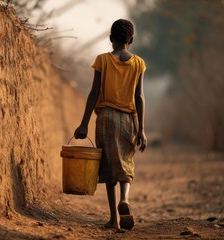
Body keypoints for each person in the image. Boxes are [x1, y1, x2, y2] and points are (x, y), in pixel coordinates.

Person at [74, 19, 147, 231]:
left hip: (105, 118)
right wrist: (141, 128)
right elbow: (139, 96)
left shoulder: (102, 60)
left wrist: (84, 123)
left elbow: (94, 93)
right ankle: (125, 199)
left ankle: (114, 220)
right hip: (128, 119)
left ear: (110, 39)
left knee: (107, 166)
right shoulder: (139, 63)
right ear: (131, 40)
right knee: (125, 162)